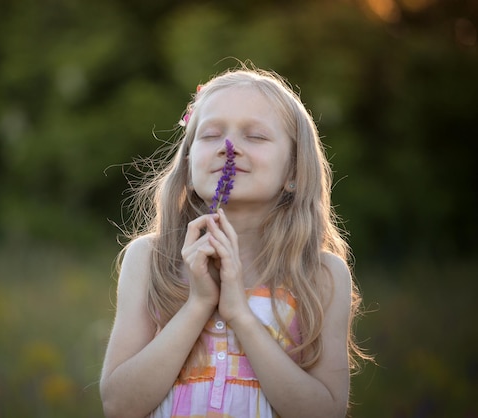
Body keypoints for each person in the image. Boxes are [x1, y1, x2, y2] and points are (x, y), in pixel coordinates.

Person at [100, 64, 369, 418]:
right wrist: (198, 303)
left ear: (293, 171)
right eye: (211, 134)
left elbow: (324, 411)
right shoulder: (150, 259)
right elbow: (119, 405)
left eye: (255, 136)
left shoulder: (319, 274)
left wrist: (240, 315)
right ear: (188, 162)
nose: (229, 148)